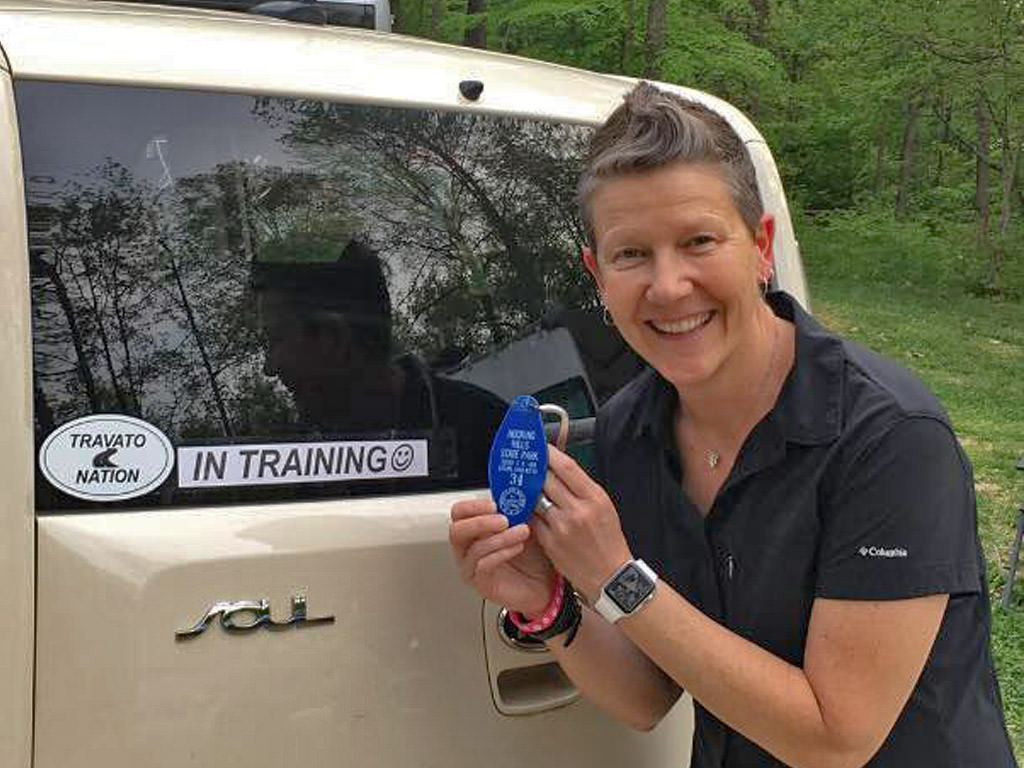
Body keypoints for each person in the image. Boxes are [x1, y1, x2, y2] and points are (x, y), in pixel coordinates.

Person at [449, 83, 1017, 767]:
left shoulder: (889, 437)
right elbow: (647, 695)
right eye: (632, 255)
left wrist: (614, 575)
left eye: (699, 241)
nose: (668, 286)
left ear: (760, 245)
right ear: (598, 275)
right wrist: (549, 603)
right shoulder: (632, 427)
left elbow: (834, 739)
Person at [252, 238, 506, 487]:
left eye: (275, 339)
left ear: (334, 338)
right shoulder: (293, 471)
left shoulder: (489, 437)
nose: (269, 368)